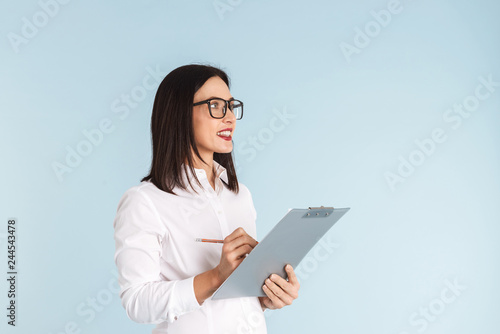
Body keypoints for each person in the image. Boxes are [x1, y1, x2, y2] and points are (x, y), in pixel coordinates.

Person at [113, 64, 300, 333]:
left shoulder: (240, 195)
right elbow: (137, 301)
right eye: (215, 106)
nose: (230, 118)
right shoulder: (145, 201)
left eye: (230, 106)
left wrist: (268, 296)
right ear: (179, 114)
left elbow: (237, 298)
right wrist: (216, 275)